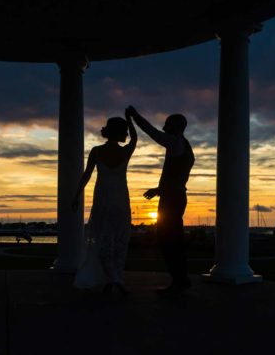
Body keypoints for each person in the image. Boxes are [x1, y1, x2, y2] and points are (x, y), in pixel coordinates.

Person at [126, 105, 194, 296]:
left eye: (167, 124)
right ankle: (180, 280)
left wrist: (134, 115)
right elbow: (176, 177)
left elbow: (151, 132)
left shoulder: (175, 143)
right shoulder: (183, 145)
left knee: (169, 240)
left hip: (172, 199)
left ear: (175, 127)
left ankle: (180, 281)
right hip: (174, 196)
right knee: (171, 240)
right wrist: (159, 189)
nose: (164, 127)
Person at [71, 113, 137, 294]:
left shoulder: (97, 151)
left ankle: (113, 279)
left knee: (104, 240)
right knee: (120, 241)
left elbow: (86, 175)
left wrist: (77, 195)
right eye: (124, 131)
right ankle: (116, 278)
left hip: (103, 199)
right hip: (120, 200)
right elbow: (136, 138)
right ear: (119, 132)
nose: (127, 134)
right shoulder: (124, 152)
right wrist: (130, 120)